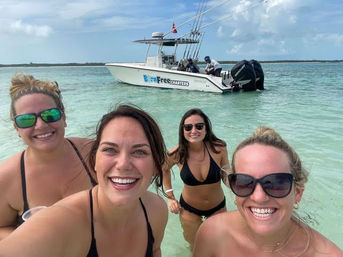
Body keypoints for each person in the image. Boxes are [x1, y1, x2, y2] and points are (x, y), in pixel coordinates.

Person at [0, 104, 169, 257]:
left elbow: (154, 251)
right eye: (110, 149)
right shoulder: (63, 222)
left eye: (139, 152)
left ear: (155, 165)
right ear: (95, 161)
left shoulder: (157, 209)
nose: (123, 164)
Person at [192, 127, 343, 257]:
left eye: (276, 183)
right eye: (244, 182)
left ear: (297, 192)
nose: (259, 197)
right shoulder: (212, 232)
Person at [0, 73, 97, 240]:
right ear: (17, 128)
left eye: (50, 115)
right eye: (26, 120)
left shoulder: (94, 152)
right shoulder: (6, 177)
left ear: (64, 118)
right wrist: (31, 240)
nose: (41, 125)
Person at [163, 108, 229, 251]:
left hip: (218, 207)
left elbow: (226, 172)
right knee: (195, 248)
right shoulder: (176, 153)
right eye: (188, 127)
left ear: (206, 128)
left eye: (199, 126)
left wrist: (237, 185)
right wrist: (170, 197)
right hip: (189, 210)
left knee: (220, 247)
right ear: (183, 130)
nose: (194, 130)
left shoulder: (219, 148)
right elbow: (164, 169)